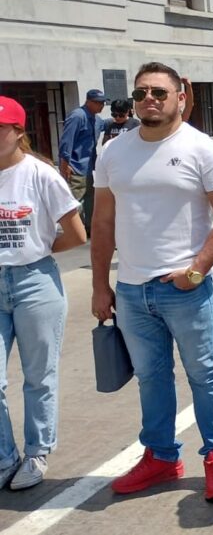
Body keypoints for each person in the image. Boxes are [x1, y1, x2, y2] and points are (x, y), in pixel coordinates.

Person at [91, 62, 213, 501]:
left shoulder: (201, 149)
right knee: (151, 378)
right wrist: (102, 286)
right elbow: (102, 223)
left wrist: (196, 271)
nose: (148, 100)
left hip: (185, 290)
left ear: (180, 97)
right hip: (132, 292)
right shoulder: (114, 152)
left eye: (158, 92)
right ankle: (160, 458)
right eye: (140, 94)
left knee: (205, 374)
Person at [0, 96, 86, 490]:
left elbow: (75, 233)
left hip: (35, 282)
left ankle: (36, 453)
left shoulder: (41, 174)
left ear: (18, 132)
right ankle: (4, 457)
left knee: (39, 375)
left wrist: (33, 249)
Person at [58, 88, 107, 233]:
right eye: (98, 102)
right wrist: (65, 164)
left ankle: (90, 228)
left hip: (89, 167)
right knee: (75, 200)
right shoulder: (77, 116)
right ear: (88, 101)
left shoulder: (96, 119)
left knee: (90, 200)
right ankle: (73, 231)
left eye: (103, 102)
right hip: (75, 165)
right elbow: (67, 141)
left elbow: (109, 125)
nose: (101, 106)